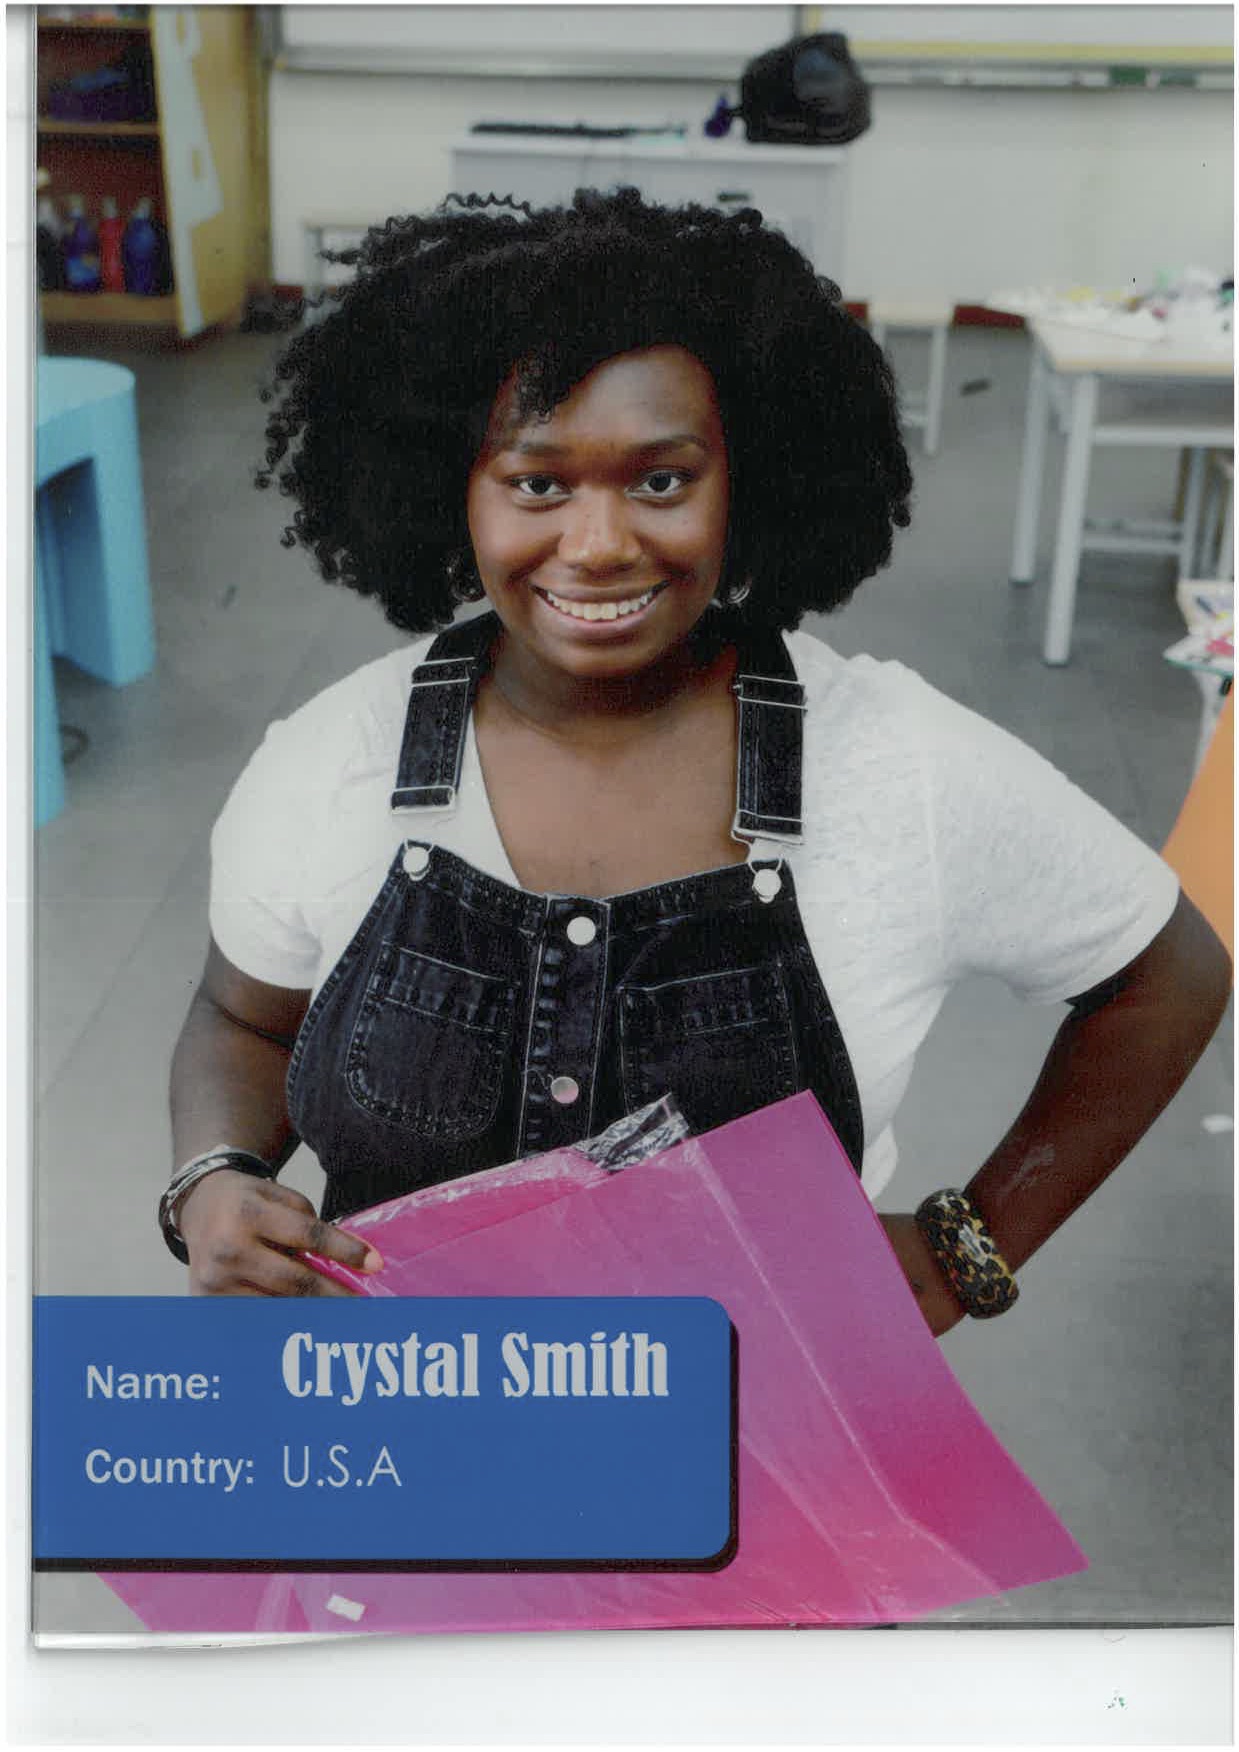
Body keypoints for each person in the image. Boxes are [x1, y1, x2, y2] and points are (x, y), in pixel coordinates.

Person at [164, 189, 1230, 1331]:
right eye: (537, 482)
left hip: (765, 1412)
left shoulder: (900, 765)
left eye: (661, 480)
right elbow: (244, 1018)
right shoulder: (332, 760)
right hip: (397, 1402)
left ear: (749, 480)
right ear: (451, 490)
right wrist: (213, 1175)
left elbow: (1164, 972)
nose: (598, 544)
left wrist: (968, 1248)